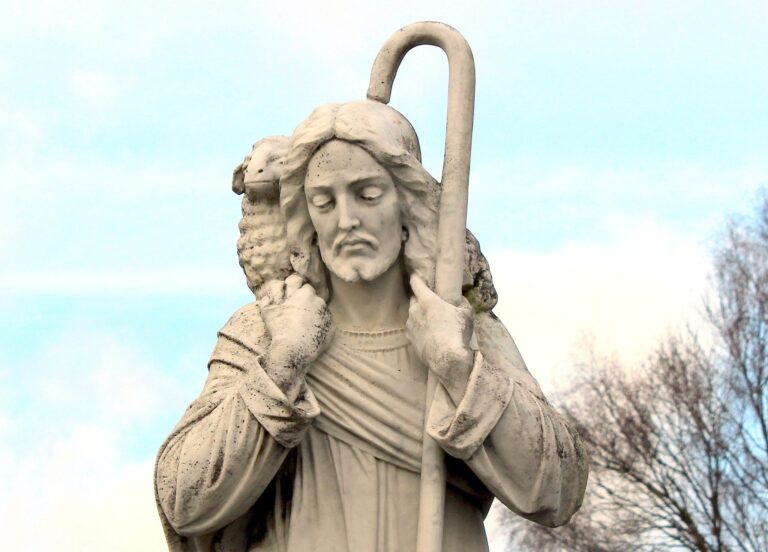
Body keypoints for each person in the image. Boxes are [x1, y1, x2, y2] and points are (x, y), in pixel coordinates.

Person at [155, 100, 588, 552]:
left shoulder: (462, 329)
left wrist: (459, 369)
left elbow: (558, 489)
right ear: (306, 216)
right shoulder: (266, 329)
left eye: (367, 195)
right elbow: (184, 498)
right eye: (324, 202)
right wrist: (283, 365)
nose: (347, 221)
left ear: (407, 202)